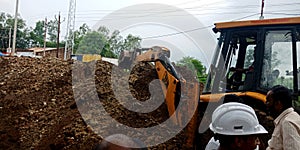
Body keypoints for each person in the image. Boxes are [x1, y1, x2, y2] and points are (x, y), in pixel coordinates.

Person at [265, 85, 300, 150]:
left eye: (268, 101)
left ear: (278, 104)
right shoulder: (288, 118)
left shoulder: (287, 123)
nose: (266, 104)